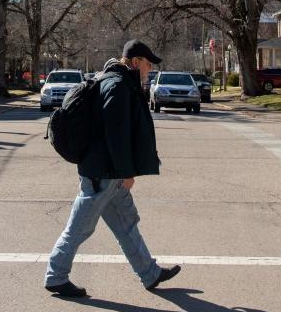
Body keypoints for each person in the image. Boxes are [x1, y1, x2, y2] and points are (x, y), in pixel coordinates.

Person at [44, 39, 181, 297]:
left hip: (107, 172)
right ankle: (56, 275)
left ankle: (149, 273)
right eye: (148, 64)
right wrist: (126, 171)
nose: (150, 69)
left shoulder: (117, 81)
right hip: (103, 173)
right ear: (135, 60)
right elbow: (115, 134)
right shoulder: (117, 85)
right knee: (79, 227)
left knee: (126, 223)